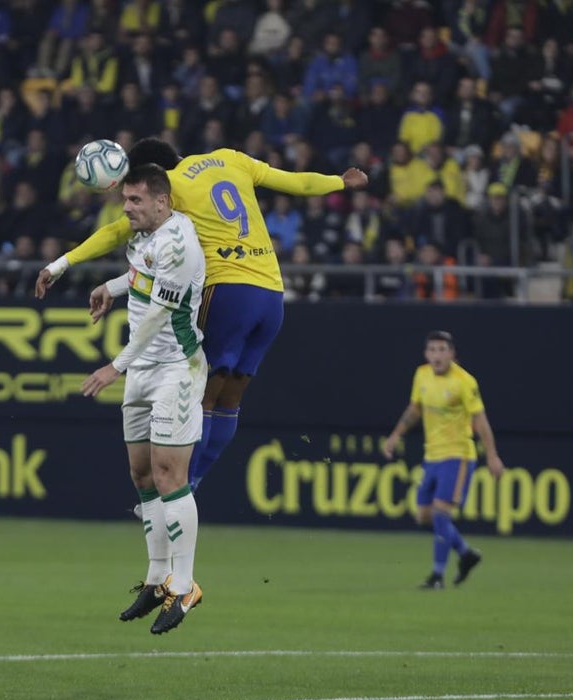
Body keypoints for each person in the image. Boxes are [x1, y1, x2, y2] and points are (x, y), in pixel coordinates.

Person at [36, 136, 368, 492]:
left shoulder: (172, 189)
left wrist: (62, 263)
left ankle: (181, 486)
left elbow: (117, 232)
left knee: (203, 395)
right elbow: (296, 182)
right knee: (232, 398)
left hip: (227, 292)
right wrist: (339, 181)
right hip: (271, 295)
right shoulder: (231, 158)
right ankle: (194, 479)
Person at [78, 163, 208, 635]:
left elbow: (158, 314)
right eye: (125, 199)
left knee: (172, 474)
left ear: (162, 201)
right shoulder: (145, 238)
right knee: (142, 474)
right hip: (143, 371)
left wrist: (117, 364)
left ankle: (186, 583)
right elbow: (140, 277)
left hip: (176, 369)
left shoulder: (180, 242)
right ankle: (158, 578)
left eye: (135, 201)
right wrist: (110, 287)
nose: (126, 207)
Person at [381, 331, 505, 589]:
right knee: (424, 516)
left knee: (441, 512)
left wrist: (492, 455)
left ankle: (437, 576)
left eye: (442, 350)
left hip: (458, 456)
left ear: (452, 354)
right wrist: (395, 436)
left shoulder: (464, 382)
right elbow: (415, 409)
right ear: (426, 354)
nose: (437, 355)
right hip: (432, 456)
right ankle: (466, 553)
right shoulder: (422, 374)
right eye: (432, 350)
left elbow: (480, 420)